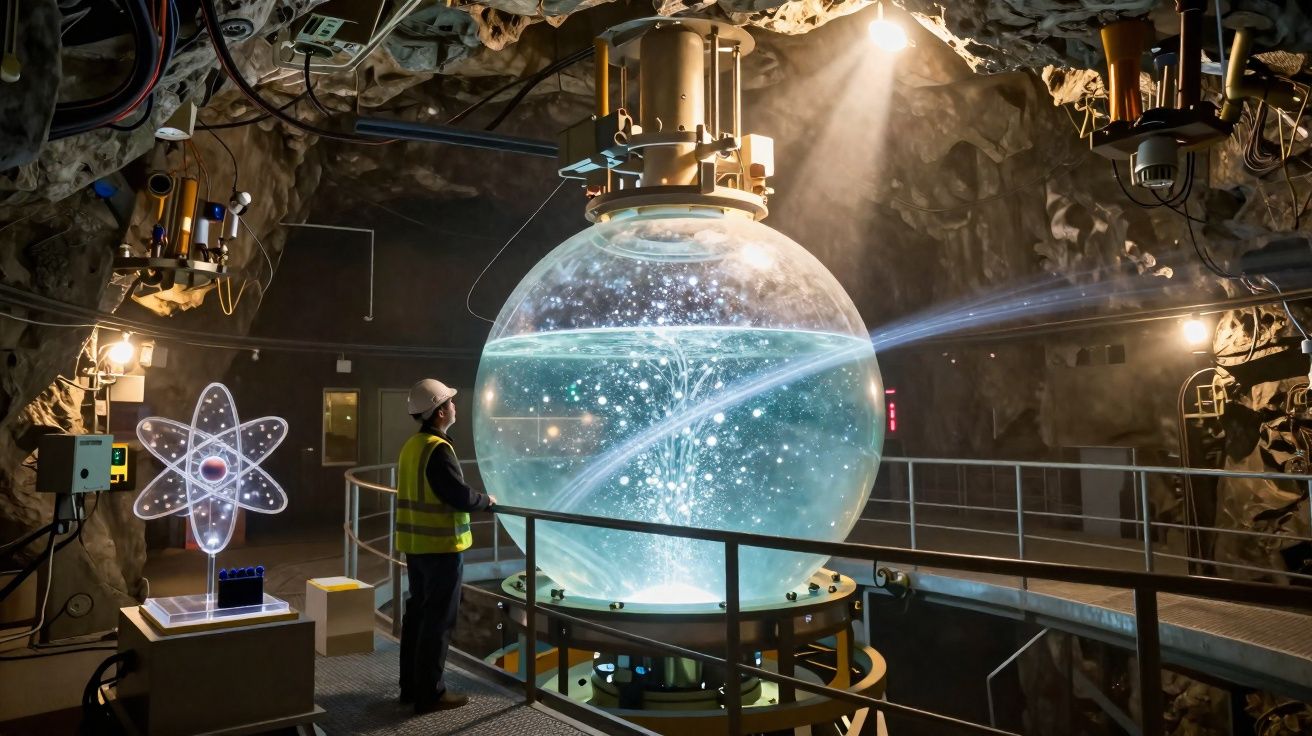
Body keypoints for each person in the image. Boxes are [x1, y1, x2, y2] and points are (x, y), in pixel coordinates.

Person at [396, 378, 496, 714]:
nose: (455, 406)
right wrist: (487, 501)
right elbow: (458, 496)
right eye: (451, 402)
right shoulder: (438, 449)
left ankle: (410, 688)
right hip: (441, 549)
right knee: (438, 622)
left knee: (418, 617)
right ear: (440, 412)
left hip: (416, 546)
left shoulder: (412, 446)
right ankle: (431, 694)